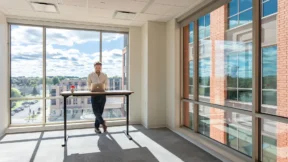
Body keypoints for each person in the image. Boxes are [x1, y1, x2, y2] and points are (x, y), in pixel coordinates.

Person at [87, 61, 108, 134]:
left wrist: (104, 88)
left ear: (101, 67)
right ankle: (103, 123)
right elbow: (89, 85)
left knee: (100, 112)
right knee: (95, 111)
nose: (98, 68)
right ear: (94, 67)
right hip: (94, 95)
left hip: (102, 95)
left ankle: (96, 128)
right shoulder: (90, 75)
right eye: (96, 67)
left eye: (99, 67)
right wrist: (91, 89)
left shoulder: (104, 75)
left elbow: (106, 85)